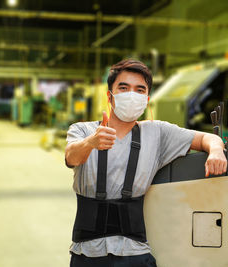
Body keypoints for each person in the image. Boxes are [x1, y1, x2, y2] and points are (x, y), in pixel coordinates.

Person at [64, 59, 227, 267]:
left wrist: (215, 151)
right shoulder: (82, 130)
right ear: (110, 95)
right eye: (124, 88)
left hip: (135, 254)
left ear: (146, 99)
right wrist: (91, 142)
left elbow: (206, 138)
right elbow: (71, 157)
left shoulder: (157, 133)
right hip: (87, 254)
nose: (132, 95)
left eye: (139, 90)